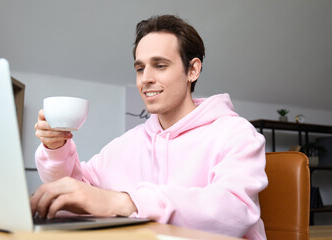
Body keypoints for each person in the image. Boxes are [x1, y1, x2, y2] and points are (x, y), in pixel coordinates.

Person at [31, 15, 268, 240]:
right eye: (140, 68)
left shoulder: (236, 133)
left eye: (160, 65)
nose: (145, 79)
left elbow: (235, 208)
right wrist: (57, 148)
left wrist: (126, 202)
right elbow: (78, 189)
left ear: (193, 70)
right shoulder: (129, 142)